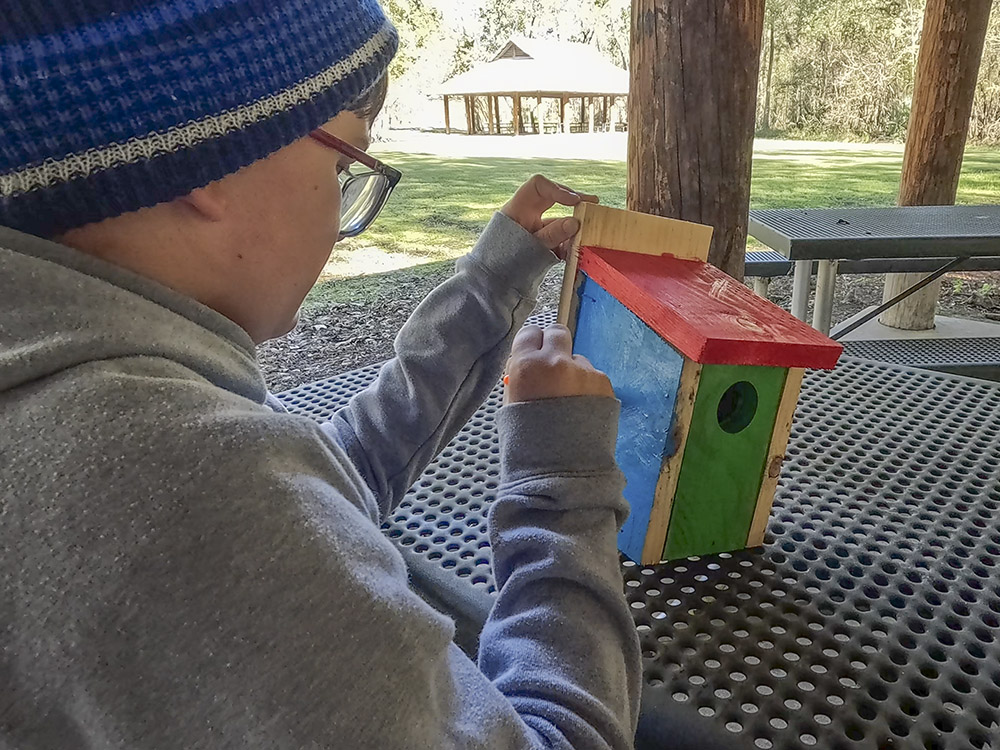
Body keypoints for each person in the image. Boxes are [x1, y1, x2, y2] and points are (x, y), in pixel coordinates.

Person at [0, 2, 642, 748]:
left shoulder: (82, 387)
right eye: (343, 163)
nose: (341, 209)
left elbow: (323, 484)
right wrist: (559, 481)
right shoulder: (180, 480)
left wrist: (489, 289)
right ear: (214, 152)